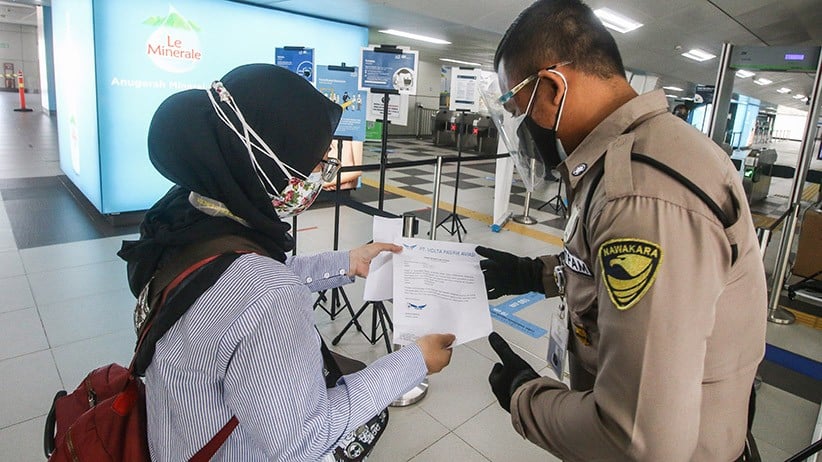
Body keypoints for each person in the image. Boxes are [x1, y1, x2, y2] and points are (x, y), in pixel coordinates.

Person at [117, 64, 455, 461]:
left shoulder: (183, 219)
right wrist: (415, 361)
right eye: (314, 160)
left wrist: (347, 261)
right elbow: (305, 437)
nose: (322, 175)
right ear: (268, 162)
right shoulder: (266, 294)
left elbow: (232, 284)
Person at [477, 1, 767, 461]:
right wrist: (537, 274)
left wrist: (526, 398)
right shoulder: (635, 154)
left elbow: (638, 441)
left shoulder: (640, 196)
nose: (524, 129)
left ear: (553, 88)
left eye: (521, 109)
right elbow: (606, 275)